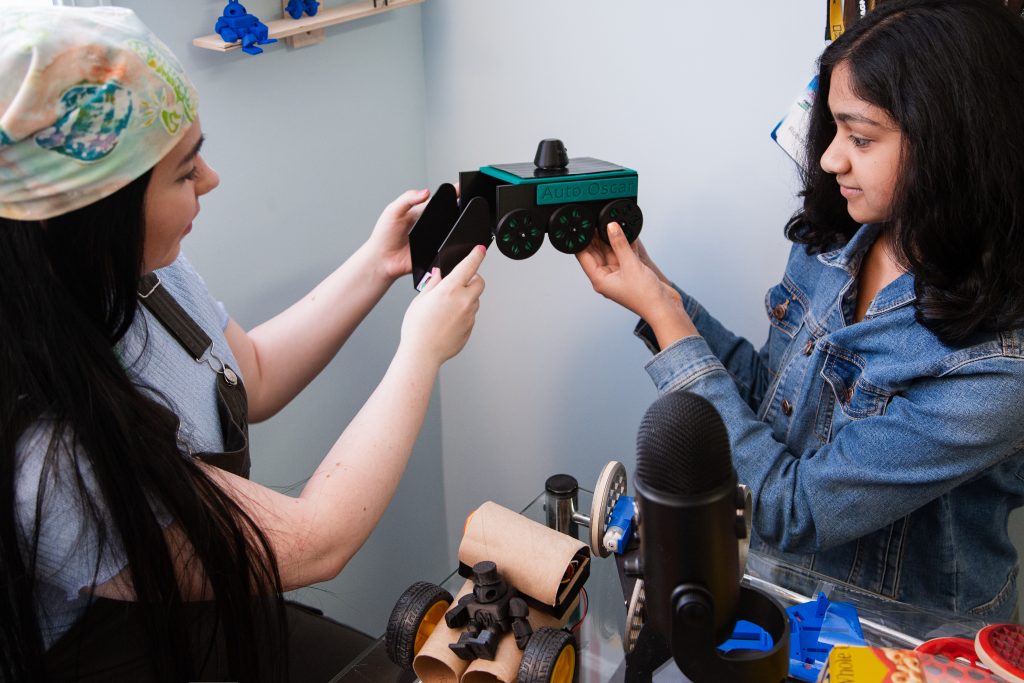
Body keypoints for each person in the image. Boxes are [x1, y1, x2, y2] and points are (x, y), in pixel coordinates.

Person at [0, 6, 486, 681]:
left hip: (213, 618)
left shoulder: (142, 272)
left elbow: (248, 373)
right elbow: (318, 540)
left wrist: (376, 265)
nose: (212, 181)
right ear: (95, 218)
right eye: (183, 173)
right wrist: (421, 351)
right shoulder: (53, 457)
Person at [577, 0, 1024, 620]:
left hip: (900, 644)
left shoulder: (995, 367)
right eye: (833, 129)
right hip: (774, 596)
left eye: (861, 137)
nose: (829, 159)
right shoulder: (836, 240)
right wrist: (659, 296)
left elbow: (793, 508)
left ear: (953, 146)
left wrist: (668, 322)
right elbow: (771, 403)